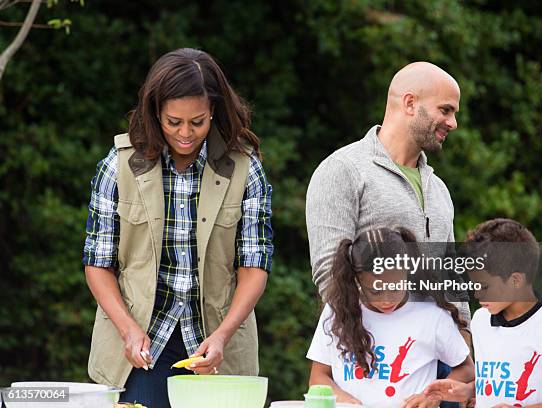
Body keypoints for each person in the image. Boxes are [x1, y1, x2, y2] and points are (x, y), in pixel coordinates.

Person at [82, 48, 273, 408]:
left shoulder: (247, 169)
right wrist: (128, 329)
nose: (186, 133)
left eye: (197, 122)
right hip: (141, 345)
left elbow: (254, 266)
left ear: (213, 111)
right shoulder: (117, 166)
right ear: (156, 113)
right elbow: (98, 263)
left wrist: (223, 336)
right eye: (174, 122)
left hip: (218, 343)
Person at [306, 61, 472, 407]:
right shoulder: (342, 170)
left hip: (442, 363)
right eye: (446, 110)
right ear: (409, 103)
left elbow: (451, 277)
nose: (453, 123)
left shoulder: (439, 189)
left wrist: (465, 346)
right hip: (370, 360)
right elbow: (328, 272)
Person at [424, 219, 542, 407]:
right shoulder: (481, 320)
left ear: (515, 280)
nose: (476, 293)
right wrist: (468, 390)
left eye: (484, 286)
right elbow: (498, 382)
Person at [307, 227, 474, 408]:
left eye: (395, 287)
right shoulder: (338, 310)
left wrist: (433, 396)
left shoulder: (431, 315)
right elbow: (318, 377)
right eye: (375, 291)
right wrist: (347, 401)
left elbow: (467, 368)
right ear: (357, 279)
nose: (386, 300)